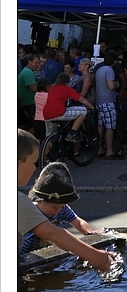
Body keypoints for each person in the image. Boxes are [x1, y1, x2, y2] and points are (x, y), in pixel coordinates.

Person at [18, 130, 112, 272]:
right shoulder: (19, 202)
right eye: (33, 163)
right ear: (17, 165)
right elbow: (52, 234)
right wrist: (94, 256)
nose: (34, 168)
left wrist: (90, 234)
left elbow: (77, 222)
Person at [20, 162, 98, 257]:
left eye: (61, 206)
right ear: (39, 200)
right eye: (54, 207)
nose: (58, 210)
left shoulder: (61, 209)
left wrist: (89, 234)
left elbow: (78, 222)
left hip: (47, 256)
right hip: (23, 258)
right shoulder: (29, 211)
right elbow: (50, 235)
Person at [43, 72, 93, 141]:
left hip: (47, 114)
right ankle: (71, 134)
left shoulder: (51, 88)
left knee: (49, 136)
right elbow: (81, 99)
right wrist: (90, 106)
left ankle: (45, 147)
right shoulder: (66, 88)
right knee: (83, 111)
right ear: (66, 82)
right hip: (58, 112)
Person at [95, 51, 120, 159]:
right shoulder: (109, 70)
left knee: (100, 126)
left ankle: (99, 149)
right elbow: (111, 86)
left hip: (99, 100)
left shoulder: (99, 69)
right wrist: (117, 84)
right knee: (110, 127)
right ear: (114, 60)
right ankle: (109, 151)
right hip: (108, 101)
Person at [18, 53, 40, 132]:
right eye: (36, 63)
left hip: (24, 102)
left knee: (24, 125)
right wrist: (45, 87)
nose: (38, 65)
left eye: (38, 63)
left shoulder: (25, 71)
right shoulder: (28, 73)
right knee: (31, 126)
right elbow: (33, 88)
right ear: (29, 62)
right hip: (29, 103)